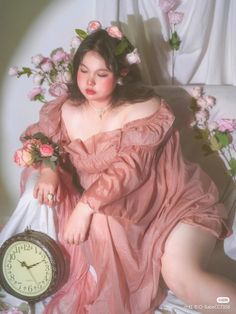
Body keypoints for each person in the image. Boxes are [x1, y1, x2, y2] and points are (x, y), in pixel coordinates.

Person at [1, 22, 236, 314]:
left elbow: (128, 171)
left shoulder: (145, 108)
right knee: (103, 221)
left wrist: (85, 207)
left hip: (170, 202)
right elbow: (42, 140)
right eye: (83, 70)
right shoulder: (66, 108)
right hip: (118, 205)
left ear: (122, 74)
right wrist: (49, 169)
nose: (89, 81)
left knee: (181, 276)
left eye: (102, 74)